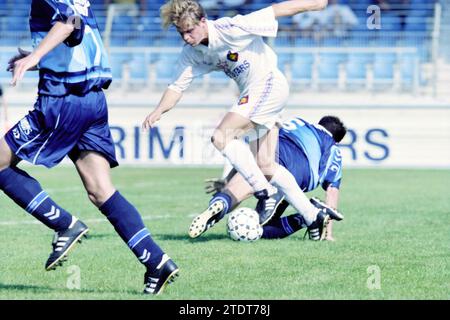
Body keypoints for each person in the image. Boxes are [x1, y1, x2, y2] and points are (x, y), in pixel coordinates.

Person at [2, 0, 178, 295]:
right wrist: (36, 56)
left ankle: (63, 224)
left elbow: (69, 23)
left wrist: (35, 56)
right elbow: (76, 36)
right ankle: (157, 262)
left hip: (62, 101)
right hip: (93, 102)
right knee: (101, 190)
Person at [142, 0, 334, 242]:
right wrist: (159, 110)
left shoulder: (232, 28)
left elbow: (275, 11)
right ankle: (312, 215)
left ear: (203, 21)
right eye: (181, 32)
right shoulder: (191, 53)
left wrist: (314, 4)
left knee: (221, 136)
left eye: (189, 31)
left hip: (269, 84)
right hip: (255, 94)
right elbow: (176, 86)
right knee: (266, 165)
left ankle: (263, 191)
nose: (186, 37)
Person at [190, 115, 346, 241]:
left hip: (275, 153)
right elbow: (332, 190)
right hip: (300, 174)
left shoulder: (298, 122)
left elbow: (250, 157)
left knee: (242, 185)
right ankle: (307, 216)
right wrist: (328, 233)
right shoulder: (333, 148)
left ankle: (223, 200)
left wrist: (227, 180)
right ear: (337, 139)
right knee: (259, 229)